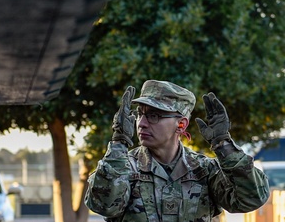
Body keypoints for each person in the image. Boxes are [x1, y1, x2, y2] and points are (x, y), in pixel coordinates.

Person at [85, 80, 270, 222]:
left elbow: (251, 199)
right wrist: (119, 142)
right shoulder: (125, 167)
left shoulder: (205, 170)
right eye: (140, 114)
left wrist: (223, 144)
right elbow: (103, 205)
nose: (141, 123)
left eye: (154, 116)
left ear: (181, 124)